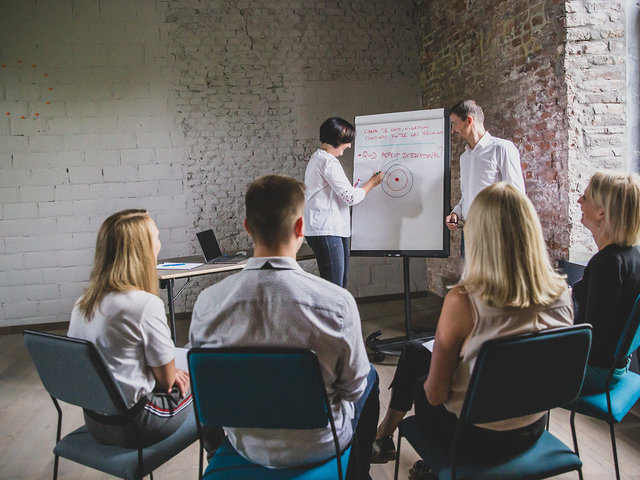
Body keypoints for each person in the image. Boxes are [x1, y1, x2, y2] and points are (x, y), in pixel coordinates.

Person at [372, 183, 573, 476]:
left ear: (478, 235)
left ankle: (384, 437)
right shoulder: (563, 293)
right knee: (416, 350)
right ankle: (400, 445)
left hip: (472, 439)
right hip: (534, 428)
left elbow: (436, 395)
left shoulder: (464, 301)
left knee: (419, 375)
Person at [189, 175, 380, 479]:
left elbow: (206, 388)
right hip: (320, 443)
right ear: (301, 228)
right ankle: (358, 472)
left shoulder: (207, 304)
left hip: (245, 444)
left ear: (247, 227)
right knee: (370, 376)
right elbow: (354, 388)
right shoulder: (336, 303)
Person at [68, 210, 197, 448]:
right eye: (156, 237)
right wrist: (170, 373)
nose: (160, 243)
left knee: (190, 356)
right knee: (206, 373)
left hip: (97, 423)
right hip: (138, 423)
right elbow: (167, 380)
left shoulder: (81, 304)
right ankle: (219, 462)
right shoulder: (144, 305)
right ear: (143, 249)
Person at [573, 171, 640, 393]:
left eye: (585, 197)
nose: (579, 201)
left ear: (602, 212)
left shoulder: (606, 264)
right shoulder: (633, 256)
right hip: (618, 368)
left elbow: (592, 341)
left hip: (595, 372)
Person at [304, 117, 383, 287]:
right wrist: (372, 183)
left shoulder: (318, 158)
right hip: (326, 231)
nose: (349, 146)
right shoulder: (328, 161)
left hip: (330, 229)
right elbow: (351, 197)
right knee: (335, 288)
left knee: (338, 285)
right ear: (338, 140)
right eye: (347, 142)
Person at [445, 100, 525, 257]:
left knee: (497, 282)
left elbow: (516, 196)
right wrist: (456, 212)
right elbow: (467, 195)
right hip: (468, 235)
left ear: (468, 120)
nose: (453, 130)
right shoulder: (465, 157)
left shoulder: (502, 149)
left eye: (454, 124)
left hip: (495, 234)